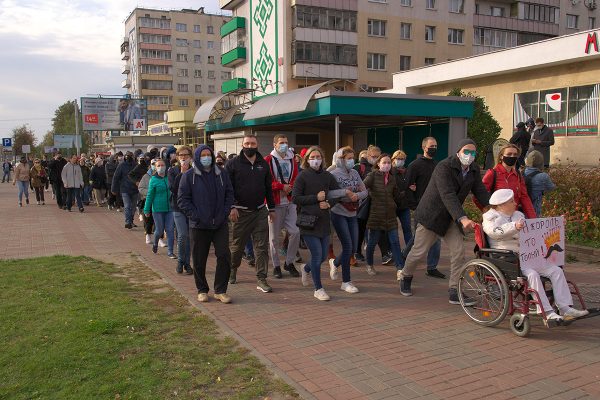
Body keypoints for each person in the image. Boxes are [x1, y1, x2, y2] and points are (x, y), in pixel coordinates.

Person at [399, 139, 491, 303]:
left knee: (458, 252)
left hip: (451, 218)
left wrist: (494, 208)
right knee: (418, 252)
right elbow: (447, 194)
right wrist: (463, 218)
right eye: (466, 151)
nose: (469, 156)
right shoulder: (444, 167)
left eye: (473, 152)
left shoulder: (474, 170)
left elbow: (480, 191)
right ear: (458, 151)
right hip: (432, 217)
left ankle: (454, 290)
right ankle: (405, 275)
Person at [482, 189, 588, 321]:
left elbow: (535, 231)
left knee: (556, 270)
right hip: (507, 258)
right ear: (500, 205)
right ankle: (547, 311)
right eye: (511, 201)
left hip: (527, 256)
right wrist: (514, 226)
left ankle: (565, 308)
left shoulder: (518, 215)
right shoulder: (490, 218)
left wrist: (557, 225)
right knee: (532, 274)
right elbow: (494, 232)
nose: (515, 203)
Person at [292, 146, 351, 301]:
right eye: (312, 157)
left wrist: (329, 203)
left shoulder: (327, 176)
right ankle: (318, 288)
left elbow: (337, 194)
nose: (315, 160)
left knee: (324, 255)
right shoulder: (302, 176)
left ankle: (305, 268)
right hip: (308, 221)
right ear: (307, 159)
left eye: (318, 157)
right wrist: (315, 198)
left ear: (323, 159)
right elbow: (296, 198)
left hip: (324, 221)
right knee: (317, 254)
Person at [178, 145, 235, 303]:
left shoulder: (221, 173)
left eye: (208, 154)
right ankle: (202, 289)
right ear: (197, 157)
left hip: (220, 223)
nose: (206, 157)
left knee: (224, 255)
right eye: (203, 155)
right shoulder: (189, 176)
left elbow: (230, 194)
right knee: (199, 259)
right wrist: (196, 216)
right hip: (199, 225)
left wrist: (224, 212)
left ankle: (220, 290)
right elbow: (183, 200)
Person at [226, 134, 276, 293]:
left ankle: (261, 278)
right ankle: (232, 269)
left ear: (257, 144)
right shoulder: (233, 164)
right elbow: (227, 188)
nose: (249, 146)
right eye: (246, 143)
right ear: (242, 145)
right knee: (237, 247)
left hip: (260, 211)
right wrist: (231, 207)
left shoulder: (264, 164)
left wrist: (272, 209)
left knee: (261, 248)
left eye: (252, 143)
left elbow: (268, 187)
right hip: (240, 213)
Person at [399, 137, 445, 279]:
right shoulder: (415, 165)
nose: (434, 148)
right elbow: (407, 187)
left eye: (436, 146)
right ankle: (403, 256)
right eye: (431, 146)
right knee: (419, 238)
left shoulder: (438, 165)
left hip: (436, 207)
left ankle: (432, 267)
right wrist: (414, 205)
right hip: (421, 207)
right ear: (424, 147)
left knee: (435, 238)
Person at [329, 146, 368, 293]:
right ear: (341, 159)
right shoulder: (332, 173)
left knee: (352, 248)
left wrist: (356, 196)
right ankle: (346, 281)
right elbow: (329, 193)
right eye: (349, 158)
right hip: (338, 212)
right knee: (347, 246)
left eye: (353, 158)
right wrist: (345, 192)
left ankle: (335, 262)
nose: (352, 161)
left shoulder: (355, 173)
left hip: (353, 213)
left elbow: (365, 191)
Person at [264, 134, 301, 279]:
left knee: (295, 232)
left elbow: (296, 177)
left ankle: (289, 262)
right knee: (274, 238)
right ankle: (276, 266)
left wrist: (291, 187)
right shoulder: (268, 160)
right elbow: (266, 182)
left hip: (290, 201)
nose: (284, 145)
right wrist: (280, 186)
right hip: (275, 203)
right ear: (275, 144)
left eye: (286, 142)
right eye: (281, 143)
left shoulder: (292, 159)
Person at [363, 154, 405, 277]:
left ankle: (400, 269)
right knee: (372, 243)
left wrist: (407, 191)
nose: (387, 165)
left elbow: (396, 195)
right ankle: (369, 265)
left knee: (395, 242)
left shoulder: (392, 178)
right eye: (384, 162)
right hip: (376, 216)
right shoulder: (373, 176)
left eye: (388, 163)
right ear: (378, 164)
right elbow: (363, 186)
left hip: (390, 216)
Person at [354, 145, 391, 265]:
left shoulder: (381, 169)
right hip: (364, 203)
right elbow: (359, 185)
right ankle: (357, 251)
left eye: (377, 157)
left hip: (377, 204)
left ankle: (385, 254)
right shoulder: (360, 167)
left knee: (380, 228)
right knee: (361, 228)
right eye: (373, 156)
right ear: (368, 156)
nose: (375, 159)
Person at [477, 143, 536, 219]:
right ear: (501, 156)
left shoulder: (518, 175)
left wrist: (533, 218)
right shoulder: (492, 173)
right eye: (509, 154)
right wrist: (489, 212)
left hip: (514, 218)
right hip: (497, 219)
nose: (512, 156)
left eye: (515, 154)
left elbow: (524, 197)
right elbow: (479, 195)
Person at [168, 146, 193, 274]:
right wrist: (182, 174)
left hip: (191, 208)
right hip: (177, 207)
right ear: (177, 157)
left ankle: (187, 263)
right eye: (181, 155)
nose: (183, 157)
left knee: (188, 237)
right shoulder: (173, 171)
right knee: (183, 235)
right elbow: (173, 188)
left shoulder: (195, 170)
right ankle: (180, 261)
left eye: (186, 155)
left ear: (191, 157)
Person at [144, 159, 175, 258]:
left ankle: (170, 251)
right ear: (155, 168)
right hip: (157, 209)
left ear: (166, 166)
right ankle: (155, 243)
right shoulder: (153, 180)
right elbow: (149, 195)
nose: (161, 167)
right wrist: (146, 209)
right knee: (159, 230)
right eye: (159, 166)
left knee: (170, 230)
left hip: (170, 208)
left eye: (162, 165)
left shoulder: (169, 178)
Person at [524, 150, 556, 217]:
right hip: (535, 210)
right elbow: (552, 188)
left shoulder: (520, 173)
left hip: (522, 210)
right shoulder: (543, 176)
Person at [390, 150, 412, 246]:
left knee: (407, 229)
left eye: (402, 159)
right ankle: (394, 251)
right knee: (393, 231)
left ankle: (409, 251)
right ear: (393, 159)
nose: (400, 161)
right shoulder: (390, 172)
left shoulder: (406, 172)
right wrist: (406, 191)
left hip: (404, 206)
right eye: (398, 159)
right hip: (393, 206)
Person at [112, 151, 139, 229]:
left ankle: (131, 220)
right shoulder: (121, 165)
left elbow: (140, 175)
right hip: (125, 189)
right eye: (127, 156)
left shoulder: (136, 165)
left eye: (130, 156)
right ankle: (128, 221)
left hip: (135, 189)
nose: (129, 157)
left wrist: (139, 183)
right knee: (127, 206)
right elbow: (116, 177)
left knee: (133, 207)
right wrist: (113, 189)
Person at [138, 159, 156, 245]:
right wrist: (149, 192)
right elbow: (141, 188)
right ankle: (148, 235)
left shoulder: (163, 176)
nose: (155, 165)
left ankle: (159, 238)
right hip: (147, 200)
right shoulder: (145, 176)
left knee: (158, 220)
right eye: (153, 164)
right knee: (148, 220)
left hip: (158, 201)